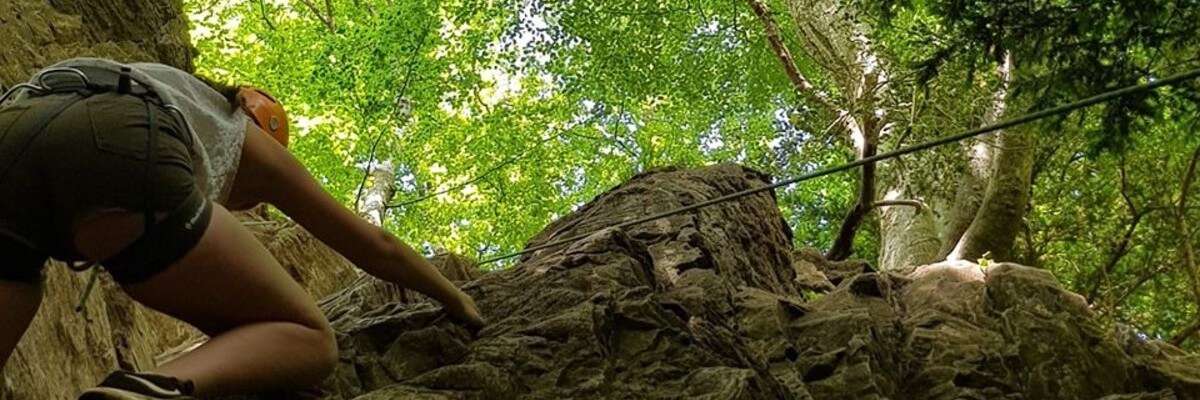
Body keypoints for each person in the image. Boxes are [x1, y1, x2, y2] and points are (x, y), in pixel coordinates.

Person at [0, 57, 486, 399]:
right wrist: (458, 298)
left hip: (12, 127)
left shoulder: (157, 82)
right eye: (247, 202)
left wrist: (264, 363)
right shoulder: (240, 130)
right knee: (310, 338)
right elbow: (373, 245)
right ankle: (146, 391)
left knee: (22, 276)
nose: (243, 207)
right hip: (122, 140)